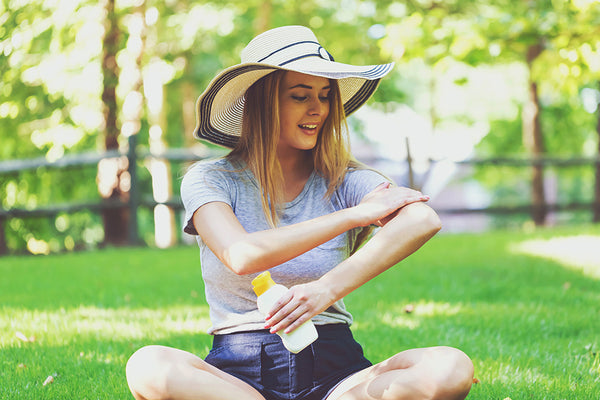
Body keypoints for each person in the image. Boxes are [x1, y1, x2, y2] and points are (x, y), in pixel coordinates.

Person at [125, 25, 474, 400]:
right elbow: (241, 255)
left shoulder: (347, 180)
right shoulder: (210, 179)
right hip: (239, 380)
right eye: (299, 95)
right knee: (147, 365)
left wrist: (324, 290)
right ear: (262, 101)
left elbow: (422, 219)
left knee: (450, 367)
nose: (317, 109)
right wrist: (353, 216)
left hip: (337, 374)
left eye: (325, 96)